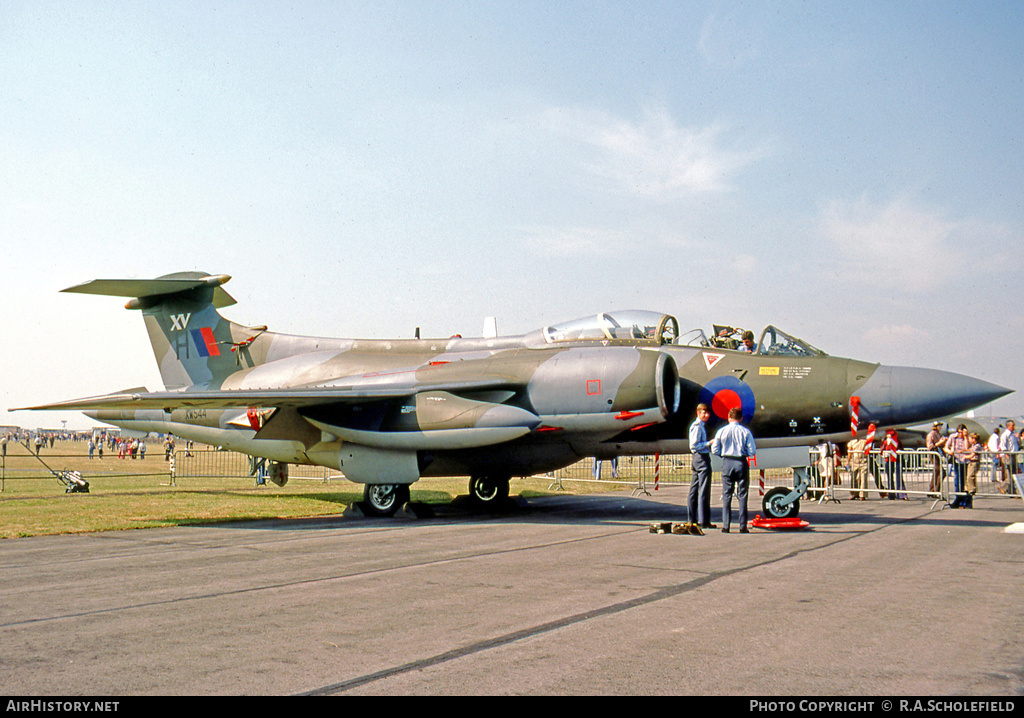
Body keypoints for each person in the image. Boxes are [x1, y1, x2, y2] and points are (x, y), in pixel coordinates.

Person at [711, 407, 756, 533]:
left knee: (726, 494)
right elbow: (752, 451)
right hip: (741, 462)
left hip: (727, 462)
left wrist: (723, 455)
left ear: (728, 417)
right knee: (743, 495)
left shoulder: (721, 431)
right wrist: (744, 453)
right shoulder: (745, 431)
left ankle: (726, 526)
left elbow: (715, 449)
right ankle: (743, 526)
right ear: (741, 418)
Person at [687, 404, 715, 530]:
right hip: (701, 457)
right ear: (698, 413)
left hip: (697, 459)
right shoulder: (697, 427)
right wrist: (709, 443)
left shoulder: (699, 426)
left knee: (694, 490)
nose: (706, 415)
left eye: (708, 413)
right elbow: (694, 445)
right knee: (703, 490)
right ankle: (704, 520)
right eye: (704, 413)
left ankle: (692, 519)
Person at [945, 424, 970, 508]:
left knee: (964, 481)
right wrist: (949, 451)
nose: (960, 434)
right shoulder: (953, 437)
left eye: (961, 432)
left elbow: (967, 447)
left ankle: (964, 500)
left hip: (965, 461)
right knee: (957, 481)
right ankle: (958, 498)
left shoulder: (967, 438)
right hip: (957, 460)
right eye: (958, 432)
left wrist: (965, 437)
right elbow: (946, 447)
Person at [881, 429, 905, 499]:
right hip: (888, 460)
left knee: (899, 477)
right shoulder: (885, 442)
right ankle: (891, 494)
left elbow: (901, 448)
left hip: (897, 460)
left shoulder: (897, 441)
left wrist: (898, 452)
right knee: (890, 478)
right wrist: (884, 453)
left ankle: (901, 494)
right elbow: (882, 449)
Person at [926, 421, 947, 497]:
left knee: (939, 472)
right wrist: (939, 442)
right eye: (939, 425)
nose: (940, 427)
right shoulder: (931, 434)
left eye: (940, 425)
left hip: (938, 454)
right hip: (934, 454)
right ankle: (933, 490)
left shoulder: (939, 434)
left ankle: (935, 490)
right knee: (938, 471)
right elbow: (930, 446)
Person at [999, 420, 1019, 494]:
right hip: (1008, 455)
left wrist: (1018, 437)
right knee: (1010, 473)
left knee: (1013, 473)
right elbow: (1002, 445)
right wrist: (1006, 453)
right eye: (1012, 425)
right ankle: (1009, 490)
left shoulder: (1013, 434)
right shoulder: (1005, 434)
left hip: (1014, 454)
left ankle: (1007, 488)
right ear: (1008, 426)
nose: (1014, 427)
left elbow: (1017, 443)